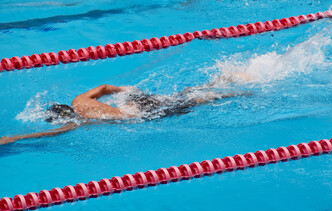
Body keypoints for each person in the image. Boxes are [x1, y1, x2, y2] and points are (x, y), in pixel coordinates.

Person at [0, 83, 250, 145]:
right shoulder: (80, 100)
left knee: (193, 102)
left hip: (138, 114)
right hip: (134, 101)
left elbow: (50, 133)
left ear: (64, 116)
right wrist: (127, 90)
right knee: (184, 96)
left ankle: (234, 91)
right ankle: (226, 83)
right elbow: (105, 88)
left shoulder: (78, 121)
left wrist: (13, 139)